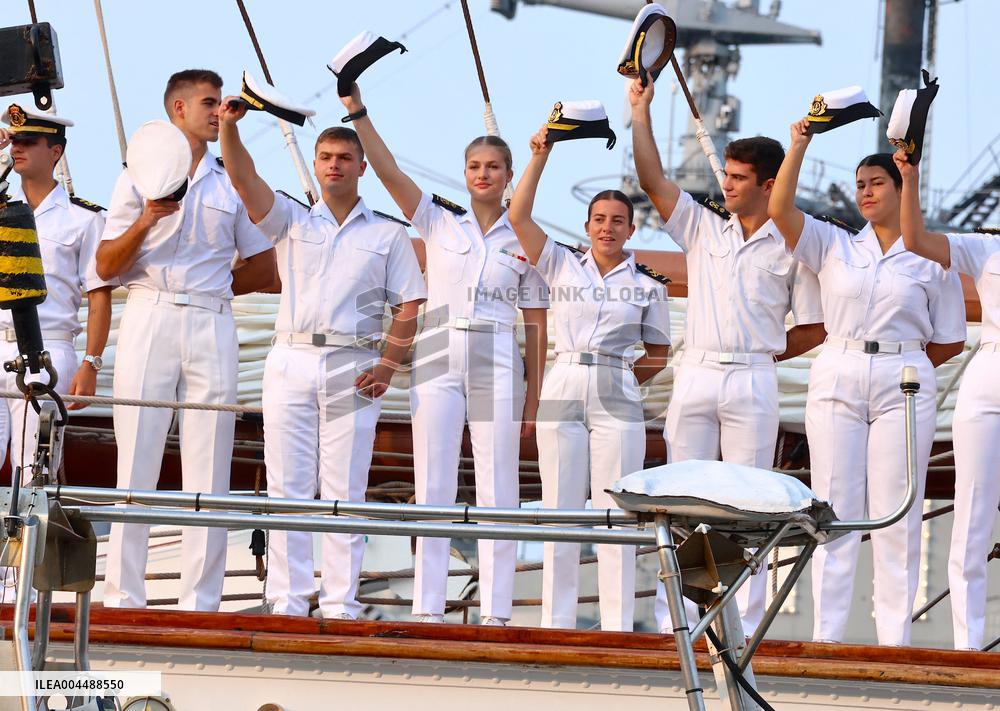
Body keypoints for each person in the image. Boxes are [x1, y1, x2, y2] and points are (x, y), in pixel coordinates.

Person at [341, 82, 549, 626]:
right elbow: (388, 174)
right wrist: (358, 111)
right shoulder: (437, 221)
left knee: (498, 486)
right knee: (432, 481)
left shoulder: (525, 238)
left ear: (509, 177)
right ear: (464, 173)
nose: (483, 174)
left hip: (499, 355)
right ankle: (428, 608)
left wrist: (534, 400)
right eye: (474, 166)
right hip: (437, 352)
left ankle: (498, 611)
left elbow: (536, 324)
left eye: (494, 167)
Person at [629, 78, 826, 636]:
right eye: (728, 175)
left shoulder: (795, 246)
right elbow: (652, 180)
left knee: (752, 502)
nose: (727, 185)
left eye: (739, 179)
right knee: (679, 499)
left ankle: (744, 624)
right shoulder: (702, 226)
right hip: (696, 373)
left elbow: (814, 326)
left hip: (753, 379)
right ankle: (681, 623)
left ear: (769, 185)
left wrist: (760, 353)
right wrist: (639, 112)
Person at [217, 95, 426, 619]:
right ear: (316, 164)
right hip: (290, 359)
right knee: (288, 484)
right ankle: (287, 600)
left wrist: (387, 366)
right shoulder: (290, 220)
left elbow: (410, 304)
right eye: (325, 157)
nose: (334, 165)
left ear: (360, 167)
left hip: (352, 363)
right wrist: (228, 128)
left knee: (345, 486)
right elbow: (244, 182)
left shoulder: (388, 233)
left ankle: (340, 603)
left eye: (343, 158)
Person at [768, 119, 966, 646]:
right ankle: (828, 637)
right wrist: (801, 141)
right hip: (840, 369)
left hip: (903, 378)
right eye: (860, 184)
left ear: (901, 190)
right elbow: (779, 210)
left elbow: (949, 337)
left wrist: (906, 366)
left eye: (876, 182)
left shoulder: (931, 257)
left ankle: (894, 639)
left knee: (897, 508)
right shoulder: (834, 244)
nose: (865, 191)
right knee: (833, 505)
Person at [97, 69, 277, 612]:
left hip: (210, 318)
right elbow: (105, 264)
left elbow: (265, 268)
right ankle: (123, 595)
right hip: (150, 313)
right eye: (208, 102)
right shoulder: (138, 177)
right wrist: (148, 219)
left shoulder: (230, 182)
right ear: (177, 109)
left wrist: (218, 285)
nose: (218, 110)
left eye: (219, 102)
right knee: (137, 456)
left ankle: (202, 600)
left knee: (211, 460)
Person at [508, 125, 671, 631]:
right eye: (599, 219)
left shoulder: (647, 287)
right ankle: (557, 620)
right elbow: (517, 216)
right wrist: (539, 156)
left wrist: (621, 379)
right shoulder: (559, 263)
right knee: (560, 505)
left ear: (631, 229)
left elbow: (659, 352)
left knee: (616, 508)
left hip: (615, 382)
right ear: (587, 224)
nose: (607, 228)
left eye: (617, 221)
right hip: (564, 377)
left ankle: (618, 623)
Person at [894, 148, 997, 650]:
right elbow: (915, 240)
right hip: (990, 372)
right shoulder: (986, 248)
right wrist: (909, 178)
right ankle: (968, 644)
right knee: (972, 510)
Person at [0, 104, 113, 476]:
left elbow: (99, 295)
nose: (17, 148)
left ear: (55, 151)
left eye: (28, 141)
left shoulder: (84, 218)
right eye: (14, 140)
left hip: (48, 349)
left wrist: (91, 363)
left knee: (34, 472)